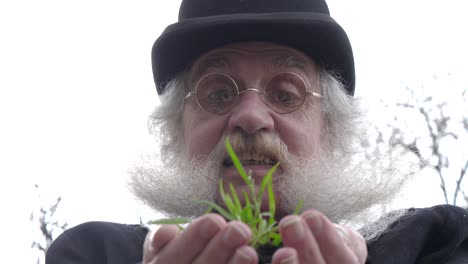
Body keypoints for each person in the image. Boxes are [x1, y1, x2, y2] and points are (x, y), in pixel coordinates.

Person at [46, 0, 468, 263]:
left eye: (286, 95)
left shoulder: (437, 244)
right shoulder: (97, 254)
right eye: (217, 94)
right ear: (179, 130)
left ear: (330, 131)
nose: (250, 116)